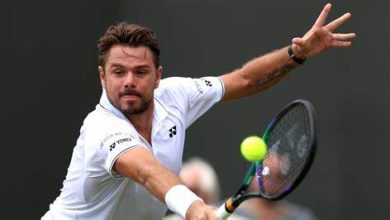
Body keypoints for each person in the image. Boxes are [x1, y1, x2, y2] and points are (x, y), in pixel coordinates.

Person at [42, 3, 355, 220]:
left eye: (140, 72)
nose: (128, 82)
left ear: (158, 75)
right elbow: (147, 171)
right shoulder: (101, 128)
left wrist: (295, 54)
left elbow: (244, 79)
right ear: (102, 76)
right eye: (118, 72)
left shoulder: (174, 96)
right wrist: (192, 206)